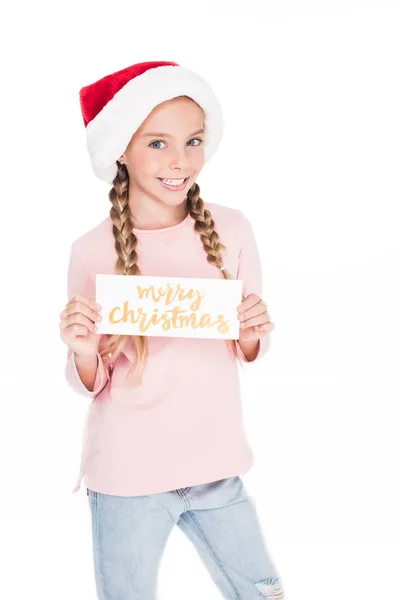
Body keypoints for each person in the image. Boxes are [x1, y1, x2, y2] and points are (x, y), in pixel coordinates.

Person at [59, 61, 284, 599]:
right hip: (127, 474)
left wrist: (254, 330)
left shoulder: (231, 229)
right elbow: (88, 380)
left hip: (216, 467)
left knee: (265, 593)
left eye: (193, 141)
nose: (180, 161)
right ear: (121, 148)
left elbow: (246, 346)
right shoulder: (91, 251)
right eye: (157, 143)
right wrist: (83, 351)